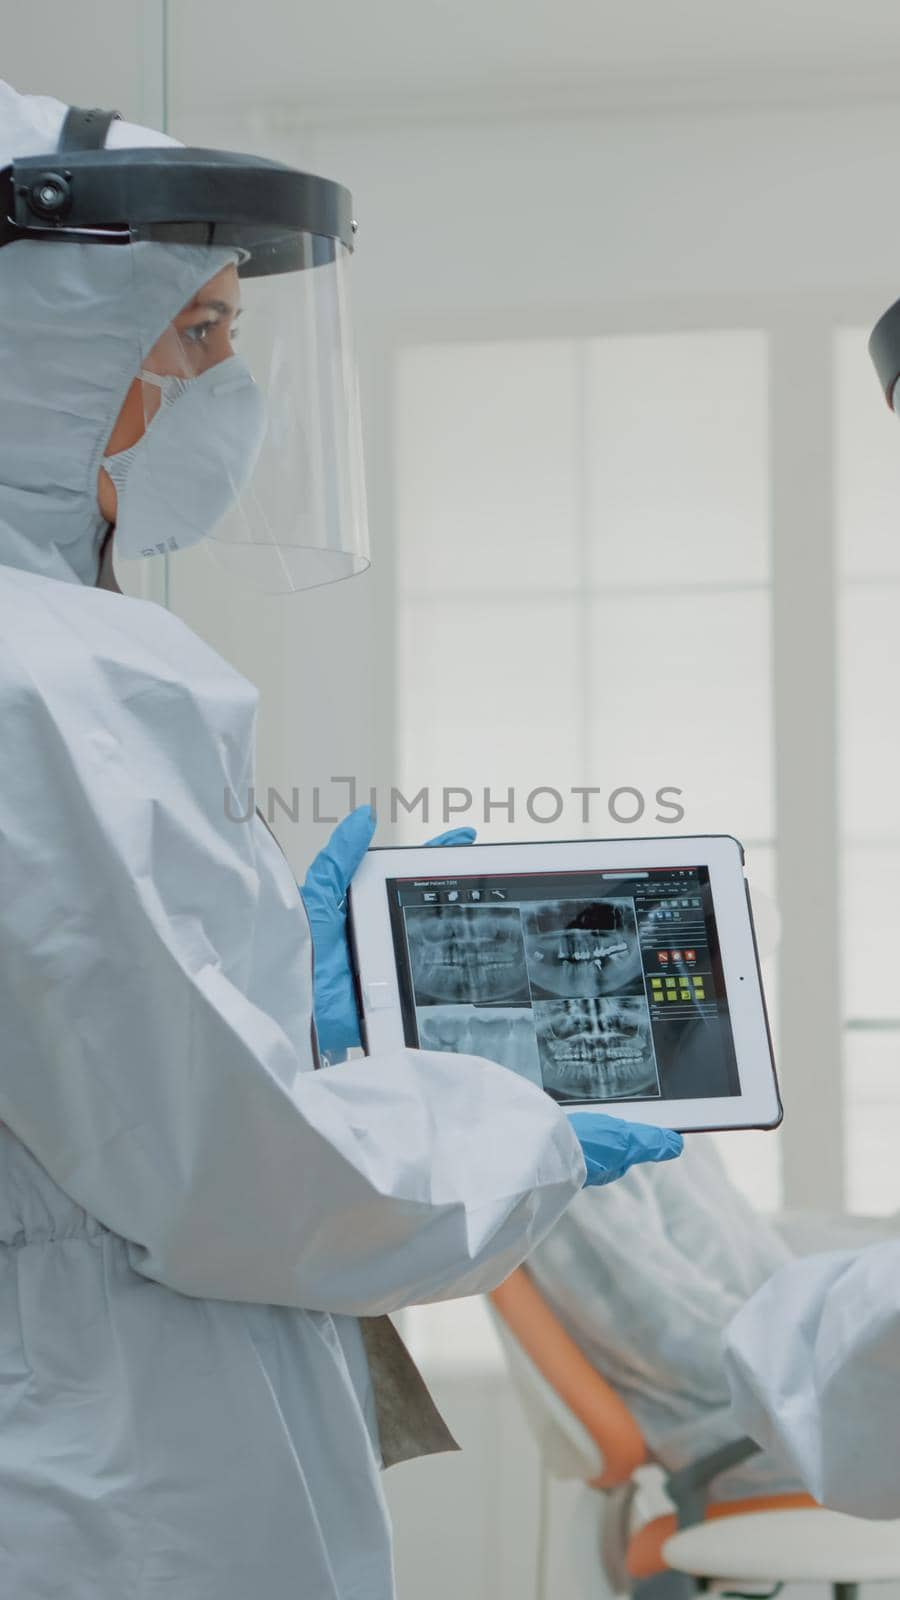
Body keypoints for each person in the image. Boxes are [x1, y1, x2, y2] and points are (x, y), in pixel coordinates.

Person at [0, 82, 681, 1598]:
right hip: (99, 1478)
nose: (232, 399)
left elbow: (116, 1079)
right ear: (41, 347)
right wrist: (514, 1122)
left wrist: (255, 1025)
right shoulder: (50, 673)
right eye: (197, 338)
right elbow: (241, 1184)